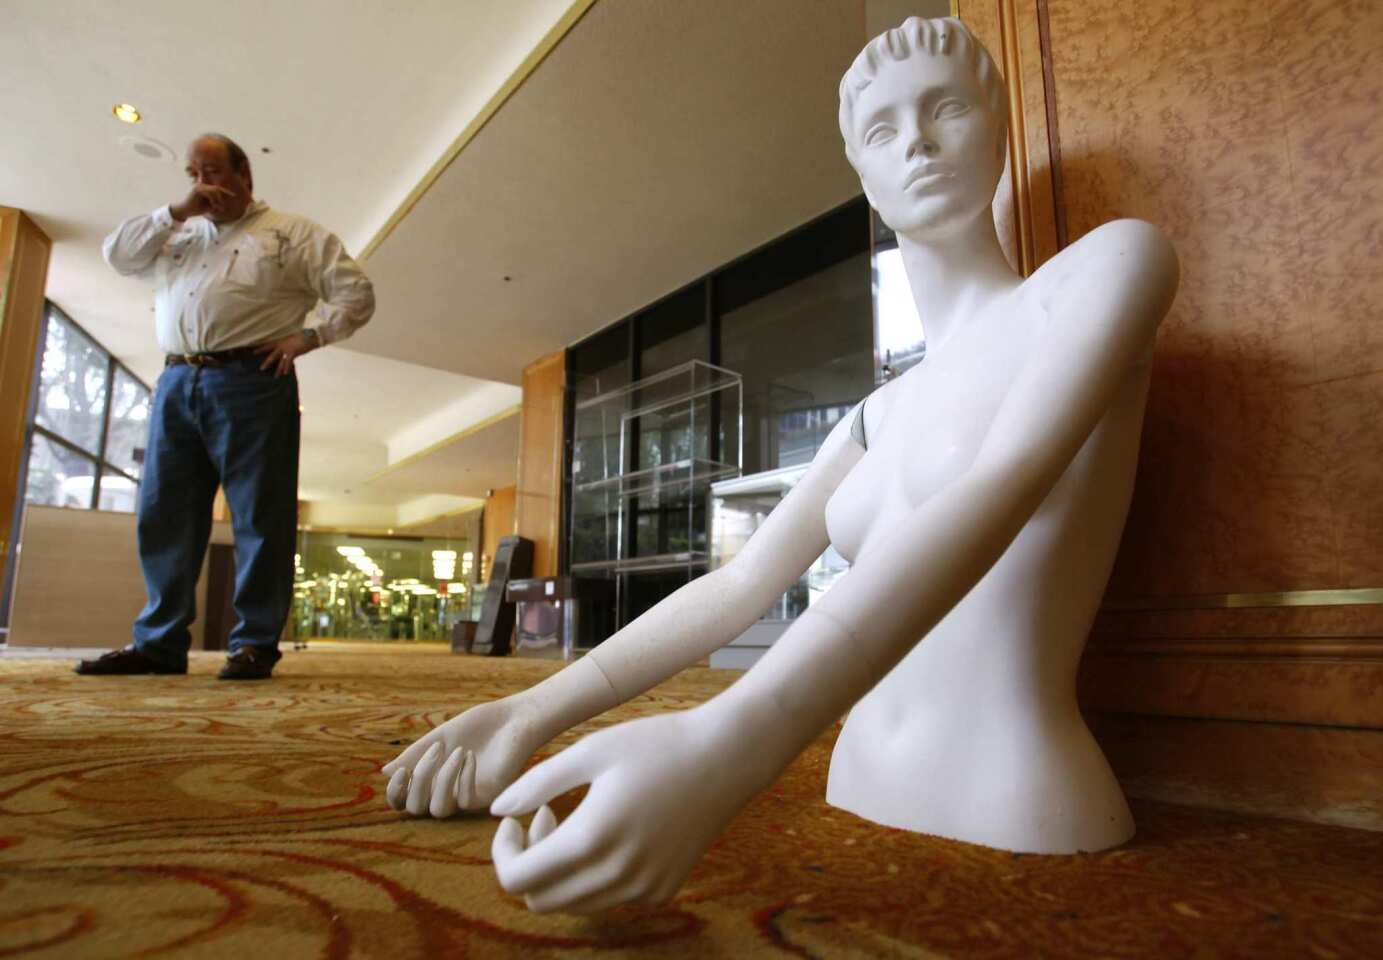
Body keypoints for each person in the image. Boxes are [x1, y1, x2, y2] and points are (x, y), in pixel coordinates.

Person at [384, 16, 1178, 913]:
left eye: (945, 108)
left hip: (1016, 782)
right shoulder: (876, 416)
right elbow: (741, 586)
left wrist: (731, 742)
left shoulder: (1102, 270)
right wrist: (535, 711)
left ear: (999, 129)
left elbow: (996, 492)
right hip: (856, 761)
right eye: (881, 130)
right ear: (865, 181)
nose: (915, 140)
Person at [77, 134, 375, 681]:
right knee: (163, 513)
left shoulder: (292, 233)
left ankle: (256, 643)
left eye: (212, 170)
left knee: (261, 514)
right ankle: (159, 643)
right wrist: (176, 211)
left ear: (244, 174)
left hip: (253, 380)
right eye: (192, 173)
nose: (201, 183)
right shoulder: (180, 234)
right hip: (174, 381)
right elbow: (117, 254)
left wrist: (306, 338)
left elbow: (356, 294)